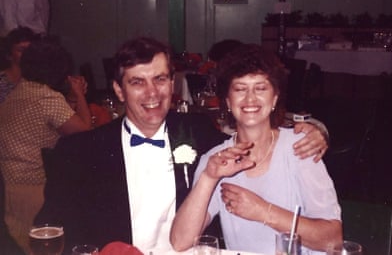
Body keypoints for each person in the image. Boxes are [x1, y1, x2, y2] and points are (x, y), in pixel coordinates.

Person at [36, 37, 329, 254]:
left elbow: (252, 130)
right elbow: (51, 229)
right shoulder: (79, 152)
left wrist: (317, 131)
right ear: (118, 90)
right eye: (138, 82)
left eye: (160, 79)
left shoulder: (198, 132)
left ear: (173, 84)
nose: (152, 93)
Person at [170, 44, 342, 254]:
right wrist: (208, 177)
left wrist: (263, 211)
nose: (250, 99)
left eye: (260, 88)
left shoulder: (300, 148)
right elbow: (180, 242)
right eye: (240, 89)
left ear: (275, 98)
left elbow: (333, 240)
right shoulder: (216, 161)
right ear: (228, 100)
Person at [0, 38, 92, 253]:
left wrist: (70, 100)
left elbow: (58, 124)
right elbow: (86, 134)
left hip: (9, 185)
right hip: (34, 190)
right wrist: (79, 94)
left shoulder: (20, 91)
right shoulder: (45, 96)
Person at [0, 26, 37, 102]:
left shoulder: (36, 81)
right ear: (9, 55)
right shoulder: (1, 81)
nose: (27, 53)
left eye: (30, 49)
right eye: (21, 50)